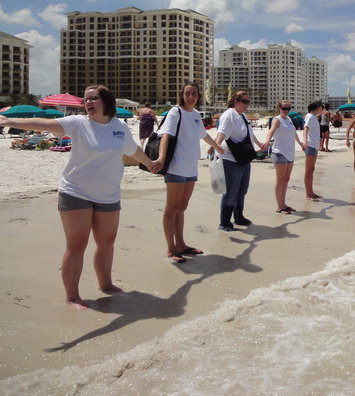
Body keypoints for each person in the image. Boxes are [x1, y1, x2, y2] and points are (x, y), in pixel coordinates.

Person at [0, 85, 161, 309]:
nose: (88, 103)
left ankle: (106, 284)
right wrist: (9, 122)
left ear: (106, 101)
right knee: (77, 244)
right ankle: (73, 297)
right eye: (85, 100)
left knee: (106, 243)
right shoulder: (78, 123)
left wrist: (150, 163)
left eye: (93, 98)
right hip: (76, 191)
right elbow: (44, 124)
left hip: (108, 194)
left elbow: (133, 149)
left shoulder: (119, 127)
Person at [157, 82, 224, 263]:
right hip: (176, 167)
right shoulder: (175, 112)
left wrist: (216, 146)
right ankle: (171, 249)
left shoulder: (195, 115)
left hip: (190, 167)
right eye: (187, 93)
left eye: (194, 94)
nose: (191, 97)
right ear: (182, 95)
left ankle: (181, 244)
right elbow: (165, 136)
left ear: (198, 96)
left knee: (181, 208)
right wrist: (161, 158)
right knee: (171, 208)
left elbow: (203, 134)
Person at [214, 91, 264, 231]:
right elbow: (222, 131)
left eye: (248, 101)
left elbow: (250, 134)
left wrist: (259, 144)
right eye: (244, 101)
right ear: (236, 101)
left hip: (243, 158)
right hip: (230, 158)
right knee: (231, 192)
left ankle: (238, 217)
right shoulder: (230, 114)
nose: (247, 105)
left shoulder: (242, 115)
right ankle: (224, 222)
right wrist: (215, 145)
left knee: (242, 190)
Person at [261, 100, 306, 214]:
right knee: (280, 180)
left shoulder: (289, 119)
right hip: (279, 153)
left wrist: (301, 144)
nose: (286, 111)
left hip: (290, 153)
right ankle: (279, 206)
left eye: (288, 108)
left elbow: (294, 133)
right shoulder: (277, 120)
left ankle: (284, 203)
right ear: (279, 108)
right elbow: (271, 131)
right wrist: (266, 141)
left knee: (286, 180)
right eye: (284, 108)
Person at [303, 100, 323, 200]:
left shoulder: (313, 117)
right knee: (309, 170)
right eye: (321, 107)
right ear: (317, 107)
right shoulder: (310, 116)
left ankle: (311, 192)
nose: (322, 109)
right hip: (310, 145)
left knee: (311, 169)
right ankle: (308, 193)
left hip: (314, 146)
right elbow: (305, 128)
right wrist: (305, 141)